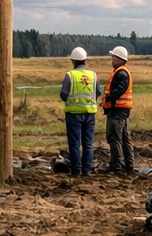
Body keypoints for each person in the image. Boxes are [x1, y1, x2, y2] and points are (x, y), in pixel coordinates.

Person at [58, 47, 100, 176]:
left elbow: (63, 94)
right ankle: (87, 170)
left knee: (74, 143)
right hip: (90, 113)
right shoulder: (93, 75)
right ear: (85, 60)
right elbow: (98, 92)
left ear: (73, 61)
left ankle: (76, 171)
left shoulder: (69, 75)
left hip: (74, 114)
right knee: (88, 143)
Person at [101, 45, 135, 173]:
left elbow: (121, 89)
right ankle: (128, 164)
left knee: (114, 137)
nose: (112, 60)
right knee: (124, 138)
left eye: (113, 57)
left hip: (117, 110)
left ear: (119, 58)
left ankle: (116, 165)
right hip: (122, 110)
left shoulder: (121, 72)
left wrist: (109, 97)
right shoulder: (122, 71)